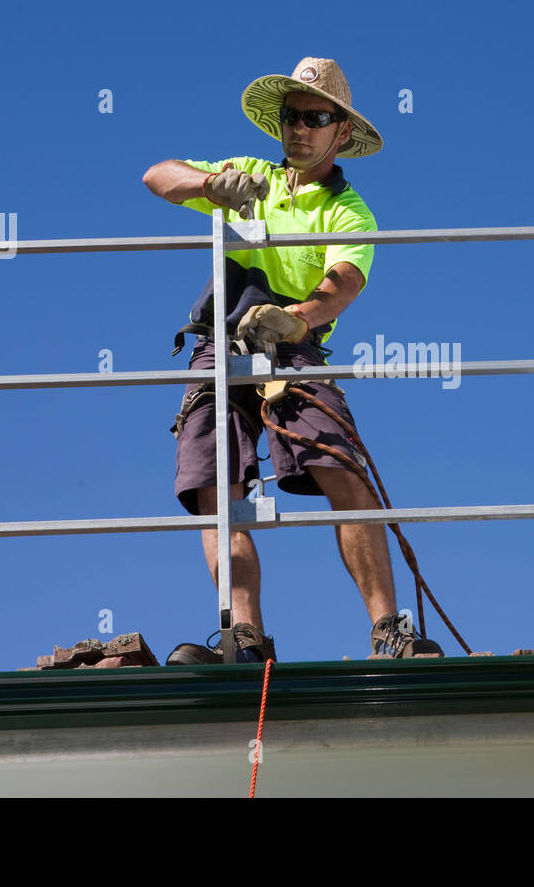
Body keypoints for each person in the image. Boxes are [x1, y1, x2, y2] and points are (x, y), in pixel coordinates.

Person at [142, 57, 443, 664]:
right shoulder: (250, 175)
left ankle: (389, 633)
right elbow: (156, 175)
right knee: (214, 486)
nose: (299, 128)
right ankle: (245, 639)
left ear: (342, 133)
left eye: (315, 117)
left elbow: (344, 280)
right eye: (291, 117)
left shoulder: (348, 212)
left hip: (294, 346)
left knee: (341, 467)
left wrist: (296, 318)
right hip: (219, 344)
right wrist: (209, 186)